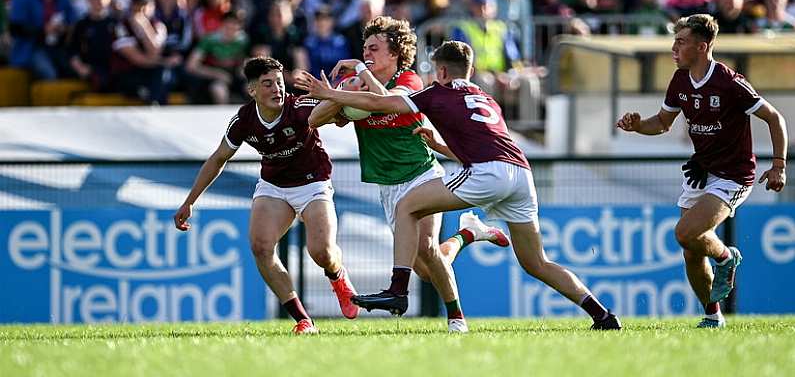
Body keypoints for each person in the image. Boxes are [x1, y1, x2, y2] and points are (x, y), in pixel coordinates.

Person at [294, 40, 622, 331]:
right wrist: (440, 147)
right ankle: (602, 314)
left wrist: (331, 93)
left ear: (441, 71)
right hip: (520, 173)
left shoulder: (438, 91)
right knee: (537, 262)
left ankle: (397, 292)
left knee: (406, 206)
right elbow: (486, 145)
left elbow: (385, 104)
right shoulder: (486, 97)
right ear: (472, 69)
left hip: (486, 173)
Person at [307, 17, 510, 333]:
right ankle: (468, 233)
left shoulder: (411, 81)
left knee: (428, 248)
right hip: (387, 185)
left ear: (395, 53)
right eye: (364, 48)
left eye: (374, 48)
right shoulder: (358, 88)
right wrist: (336, 93)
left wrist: (360, 75)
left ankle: (456, 319)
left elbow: (388, 103)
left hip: (421, 174)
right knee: (425, 269)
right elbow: (313, 120)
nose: (367, 54)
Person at [616, 14, 788, 328]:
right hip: (702, 170)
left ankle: (725, 257)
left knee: (685, 232)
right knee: (691, 250)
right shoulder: (680, 79)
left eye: (681, 42)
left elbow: (775, 118)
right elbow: (662, 123)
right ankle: (713, 317)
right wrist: (638, 125)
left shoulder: (729, 81)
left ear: (701, 46)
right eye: (674, 41)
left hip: (734, 175)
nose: (674, 48)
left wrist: (778, 166)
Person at [173, 57, 359, 335]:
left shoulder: (300, 107)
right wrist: (190, 201)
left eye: (280, 83)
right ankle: (303, 320)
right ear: (252, 90)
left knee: (321, 251)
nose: (277, 89)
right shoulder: (244, 120)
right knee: (261, 247)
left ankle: (338, 278)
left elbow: (340, 115)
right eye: (268, 84)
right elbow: (218, 159)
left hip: (313, 183)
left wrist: (345, 97)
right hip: (274, 186)